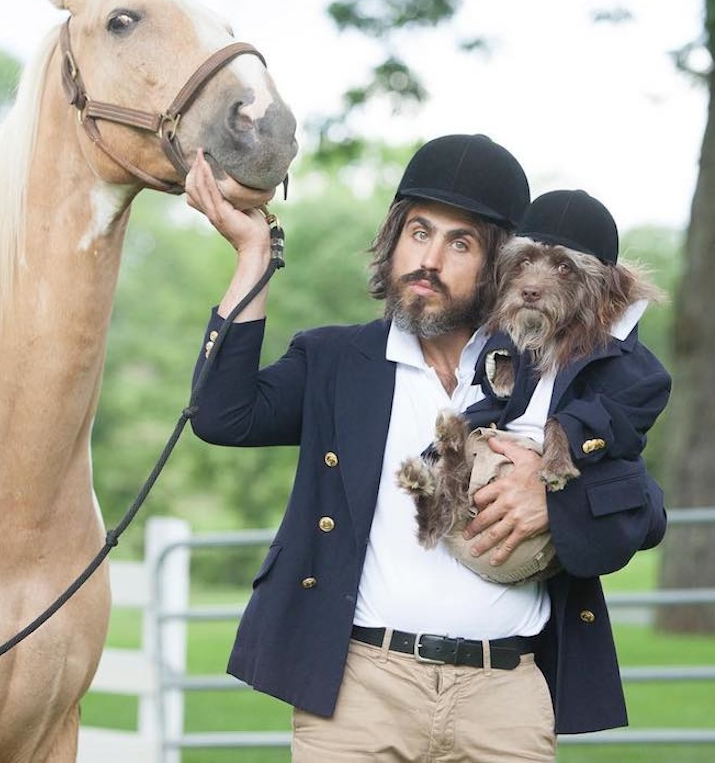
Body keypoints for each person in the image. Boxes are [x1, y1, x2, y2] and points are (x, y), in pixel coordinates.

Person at [184, 135, 668, 762]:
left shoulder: (544, 368)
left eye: (459, 243)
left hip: (505, 697)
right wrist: (252, 257)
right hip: (359, 694)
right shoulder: (336, 361)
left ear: (504, 264)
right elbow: (223, 416)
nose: (430, 259)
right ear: (393, 241)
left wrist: (553, 500)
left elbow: (647, 512)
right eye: (418, 232)